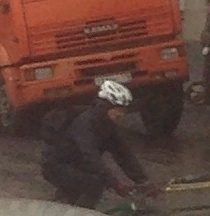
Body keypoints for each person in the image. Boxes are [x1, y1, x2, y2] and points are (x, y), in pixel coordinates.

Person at [40, 80, 148, 208]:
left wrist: (142, 180)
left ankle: (66, 205)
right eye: (118, 109)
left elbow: (123, 154)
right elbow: (90, 156)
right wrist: (115, 184)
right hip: (55, 166)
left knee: (86, 187)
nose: (121, 114)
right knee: (94, 186)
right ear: (105, 107)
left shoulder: (108, 126)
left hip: (77, 165)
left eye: (124, 110)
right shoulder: (85, 124)